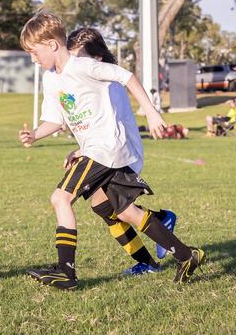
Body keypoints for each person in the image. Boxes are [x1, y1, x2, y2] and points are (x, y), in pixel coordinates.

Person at [18, 11, 205, 290]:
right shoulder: (50, 78)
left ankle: (65, 272)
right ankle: (187, 255)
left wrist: (152, 113)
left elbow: (125, 75)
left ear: (52, 45)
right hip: (96, 150)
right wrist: (35, 134)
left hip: (106, 149)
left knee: (60, 198)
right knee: (122, 211)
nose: (32, 59)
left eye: (34, 52)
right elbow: (56, 120)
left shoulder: (83, 67)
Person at [65, 27, 178, 276]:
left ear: (97, 57)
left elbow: (111, 126)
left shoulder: (108, 83)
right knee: (103, 207)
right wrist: (82, 149)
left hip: (120, 153)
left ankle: (159, 231)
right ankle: (151, 247)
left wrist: (150, 111)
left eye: (79, 58)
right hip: (108, 151)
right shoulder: (93, 82)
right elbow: (97, 127)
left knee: (120, 210)